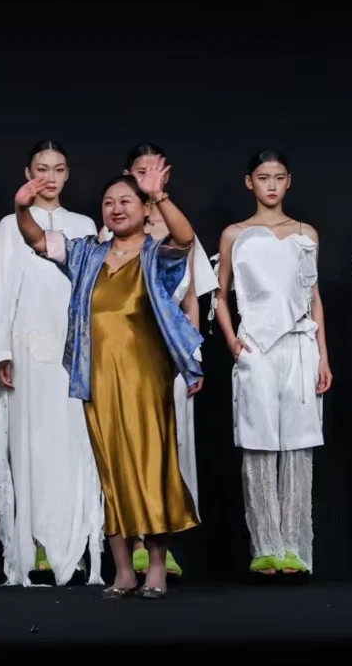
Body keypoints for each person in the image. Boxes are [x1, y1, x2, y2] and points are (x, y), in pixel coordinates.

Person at [13, 159, 203, 599]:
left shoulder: (156, 255)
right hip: (97, 379)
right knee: (110, 470)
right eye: (108, 202)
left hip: (146, 380)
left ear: (143, 208)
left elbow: (185, 239)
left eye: (126, 201)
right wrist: (22, 209)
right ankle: (122, 571)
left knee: (151, 467)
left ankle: (156, 566)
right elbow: (38, 240)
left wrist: (159, 195)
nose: (116, 209)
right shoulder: (87, 255)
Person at [0, 140, 105, 587]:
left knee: (73, 444)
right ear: (28, 173)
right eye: (41, 168)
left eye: (57, 169)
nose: (49, 177)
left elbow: (93, 289)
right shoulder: (8, 226)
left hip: (73, 346)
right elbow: (0, 288)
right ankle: (35, 543)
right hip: (28, 346)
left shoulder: (84, 225)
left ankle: (71, 546)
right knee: (30, 444)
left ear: (68, 174)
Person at [213, 149, 332, 579]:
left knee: (299, 443)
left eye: (279, 177)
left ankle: (294, 547)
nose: (271, 185)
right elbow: (219, 293)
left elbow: (313, 297)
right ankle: (265, 547)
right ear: (250, 182)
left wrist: (323, 356)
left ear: (288, 181)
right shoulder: (235, 234)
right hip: (255, 345)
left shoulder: (305, 233)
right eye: (263, 177)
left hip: (299, 343)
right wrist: (232, 342)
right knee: (258, 441)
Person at [109, 142, 216, 580]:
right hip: (124, 355)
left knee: (168, 448)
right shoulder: (114, 231)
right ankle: (133, 542)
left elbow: (191, 299)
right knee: (126, 448)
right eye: (140, 171)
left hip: (170, 354)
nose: (148, 178)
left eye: (155, 170)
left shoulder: (176, 227)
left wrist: (191, 355)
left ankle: (160, 549)